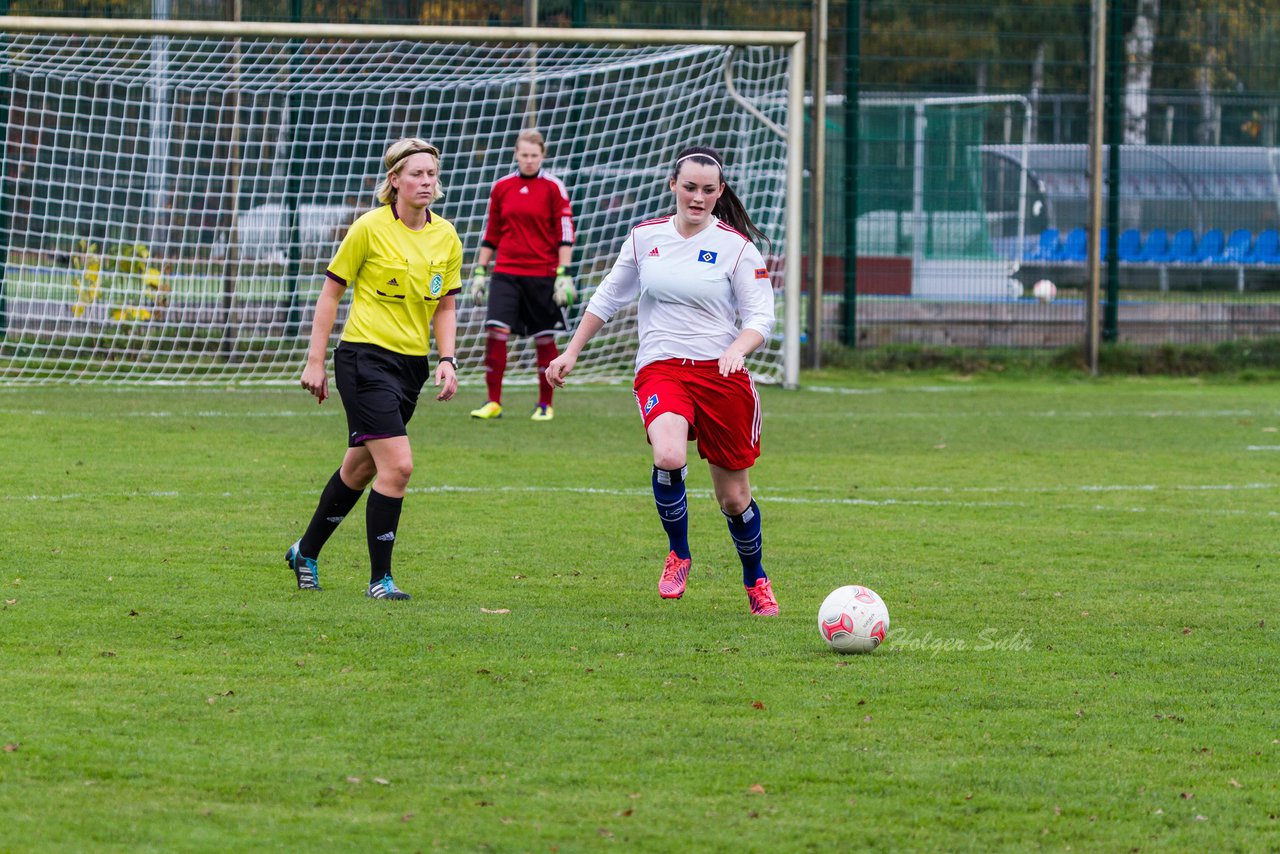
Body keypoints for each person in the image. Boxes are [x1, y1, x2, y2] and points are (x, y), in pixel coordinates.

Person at [545, 145, 779, 615]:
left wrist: (737, 348)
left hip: (720, 373)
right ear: (672, 185)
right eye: (689, 187)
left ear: (720, 192)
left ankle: (756, 580)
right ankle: (679, 553)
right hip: (662, 365)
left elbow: (761, 316)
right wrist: (571, 350)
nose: (697, 198)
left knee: (733, 499)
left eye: (708, 190)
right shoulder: (644, 237)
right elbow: (608, 296)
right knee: (668, 452)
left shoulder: (737, 247)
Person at [287, 137, 462, 600]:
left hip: (410, 369)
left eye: (431, 174)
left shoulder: (446, 235)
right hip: (363, 360)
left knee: (360, 469)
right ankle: (380, 580)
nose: (426, 181)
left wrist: (446, 359)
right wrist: (315, 361)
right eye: (417, 174)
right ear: (395, 180)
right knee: (399, 467)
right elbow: (330, 294)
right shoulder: (368, 227)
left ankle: (305, 551)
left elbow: (445, 305)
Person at [469, 129, 577, 422]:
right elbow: (491, 232)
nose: (529, 160)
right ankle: (493, 402)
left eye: (534, 155)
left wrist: (563, 273)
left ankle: (545, 404)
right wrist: (480, 270)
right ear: (516, 155)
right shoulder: (502, 187)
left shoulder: (554, 187)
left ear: (543, 156)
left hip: (543, 274)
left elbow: (565, 232)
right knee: (495, 332)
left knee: (544, 339)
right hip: (506, 272)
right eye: (524, 155)